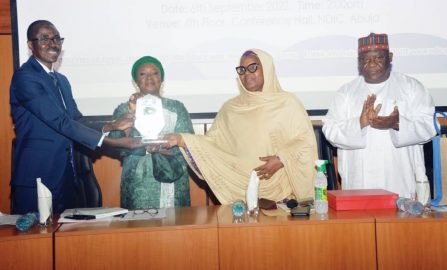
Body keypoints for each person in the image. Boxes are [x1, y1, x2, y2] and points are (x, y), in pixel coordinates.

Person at [10, 20, 141, 214]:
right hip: (37, 177)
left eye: (56, 38)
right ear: (31, 45)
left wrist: (112, 125)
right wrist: (116, 143)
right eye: (44, 38)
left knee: (66, 240)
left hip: (66, 177)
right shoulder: (25, 77)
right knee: (35, 241)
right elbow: (60, 122)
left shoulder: (61, 81)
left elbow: (76, 120)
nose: (52, 43)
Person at [164, 49, 317, 204]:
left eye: (253, 67)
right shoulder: (230, 109)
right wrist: (182, 140)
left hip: (282, 193)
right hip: (241, 192)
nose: (247, 74)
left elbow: (306, 143)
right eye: (242, 70)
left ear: (267, 68)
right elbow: (212, 144)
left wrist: (281, 159)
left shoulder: (287, 103)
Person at [322, 33, 436, 198]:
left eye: (378, 58)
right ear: (359, 62)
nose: (372, 64)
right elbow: (330, 131)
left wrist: (397, 124)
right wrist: (359, 123)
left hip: (401, 181)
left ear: (390, 57)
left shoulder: (411, 87)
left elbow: (430, 126)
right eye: (365, 59)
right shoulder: (346, 92)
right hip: (359, 183)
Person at [108, 56, 194, 209]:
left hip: (172, 179)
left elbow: (188, 144)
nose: (149, 78)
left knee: (175, 229)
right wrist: (131, 113)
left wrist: (162, 147)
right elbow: (115, 144)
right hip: (137, 183)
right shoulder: (123, 109)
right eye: (142, 74)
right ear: (136, 80)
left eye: (154, 73)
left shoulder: (176, 108)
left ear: (161, 79)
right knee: (139, 229)